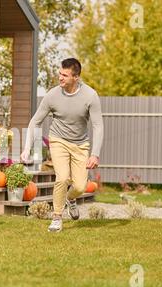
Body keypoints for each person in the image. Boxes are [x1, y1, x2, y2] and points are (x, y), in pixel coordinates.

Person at [21, 58, 104, 232]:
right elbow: (35, 121)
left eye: (65, 75)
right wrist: (27, 148)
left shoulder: (90, 96)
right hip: (58, 140)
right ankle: (57, 217)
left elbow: (98, 125)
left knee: (80, 186)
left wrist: (95, 154)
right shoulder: (52, 95)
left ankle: (71, 199)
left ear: (76, 77)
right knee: (62, 177)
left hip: (81, 144)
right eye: (60, 73)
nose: (60, 78)